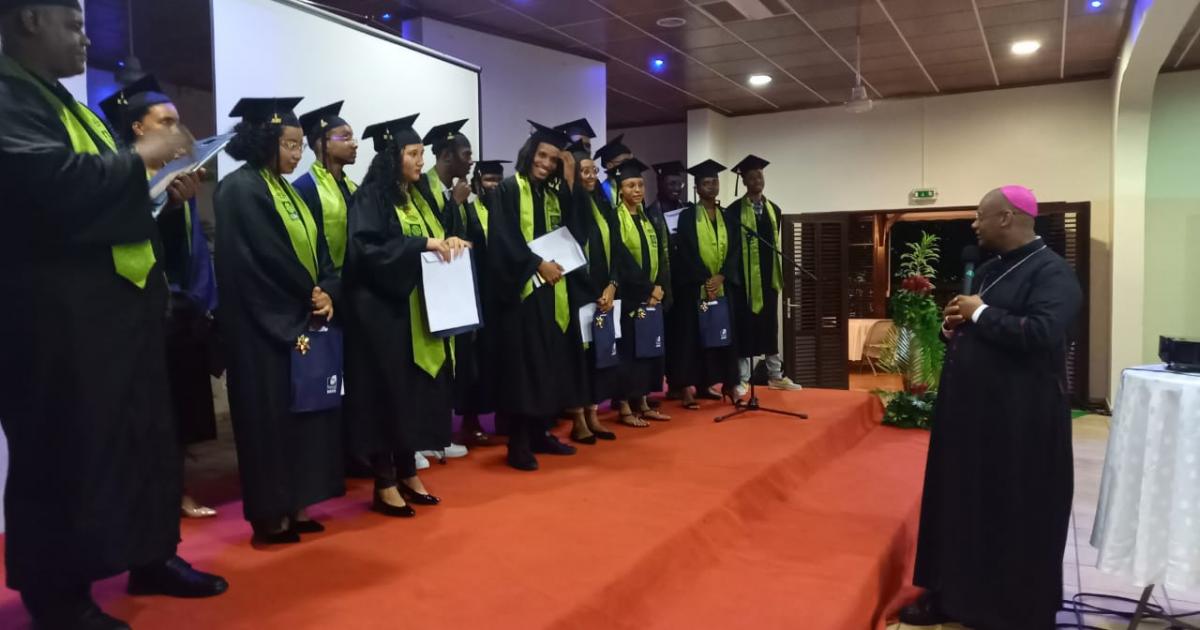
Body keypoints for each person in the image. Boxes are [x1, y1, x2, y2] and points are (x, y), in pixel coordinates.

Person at [0, 2, 227, 627]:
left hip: (118, 312)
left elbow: (110, 198)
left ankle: (151, 555)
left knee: (144, 441)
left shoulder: (65, 104)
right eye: (71, 22)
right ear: (26, 21)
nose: (84, 34)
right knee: (64, 454)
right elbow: (48, 183)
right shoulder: (8, 98)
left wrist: (165, 188)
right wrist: (145, 156)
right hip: (55, 322)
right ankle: (57, 595)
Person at [899, 186, 1082, 630]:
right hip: (970, 417)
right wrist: (954, 328)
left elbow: (1040, 332)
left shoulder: (1052, 273)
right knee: (959, 506)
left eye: (981, 216)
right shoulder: (988, 270)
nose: (974, 224)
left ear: (1007, 217)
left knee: (1009, 512)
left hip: (1019, 421)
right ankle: (951, 595)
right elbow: (982, 327)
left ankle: (1005, 610)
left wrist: (979, 314)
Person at [213, 97, 344, 545]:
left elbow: (319, 250)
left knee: (299, 418)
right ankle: (270, 516)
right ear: (264, 141)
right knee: (266, 423)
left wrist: (329, 289)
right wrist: (308, 295)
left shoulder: (287, 190)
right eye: (289, 144)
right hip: (260, 329)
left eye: (300, 145)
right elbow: (257, 261)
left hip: (297, 319)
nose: (296, 154)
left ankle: (298, 503)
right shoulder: (239, 189)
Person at [99, 73, 221, 520]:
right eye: (166, 120)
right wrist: (165, 206)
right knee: (142, 408)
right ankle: (141, 494)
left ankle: (180, 488)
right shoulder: (119, 176)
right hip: (133, 306)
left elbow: (191, 247)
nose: (176, 127)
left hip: (179, 304)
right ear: (138, 128)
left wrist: (204, 300)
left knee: (181, 403)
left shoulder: (178, 174)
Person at [342, 115, 468, 517]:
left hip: (417, 315)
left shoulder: (417, 197)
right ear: (393, 157)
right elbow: (367, 251)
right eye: (413, 154)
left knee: (410, 398)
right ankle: (383, 482)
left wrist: (447, 242)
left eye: (421, 153)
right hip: (383, 316)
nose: (420, 161)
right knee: (388, 398)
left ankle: (408, 471)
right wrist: (422, 243)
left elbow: (430, 239)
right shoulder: (371, 198)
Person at [483, 121, 587, 471]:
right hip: (523, 294)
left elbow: (576, 231)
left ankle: (541, 432)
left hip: (553, 293)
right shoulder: (509, 190)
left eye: (553, 160)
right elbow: (502, 239)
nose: (546, 163)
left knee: (549, 366)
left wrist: (572, 182)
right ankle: (518, 443)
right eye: (542, 155)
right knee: (524, 370)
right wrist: (536, 264)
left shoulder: (554, 194)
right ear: (529, 154)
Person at [413, 118, 474, 461]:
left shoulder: (454, 188)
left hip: (451, 289)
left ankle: (439, 432)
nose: (470, 160)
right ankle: (420, 437)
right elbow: (437, 230)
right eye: (466, 153)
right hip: (426, 287)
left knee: (449, 364)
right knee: (427, 362)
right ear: (448, 154)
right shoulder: (423, 186)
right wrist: (455, 203)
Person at [669, 160, 741, 409]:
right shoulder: (688, 216)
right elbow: (685, 252)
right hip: (693, 288)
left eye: (714, 182)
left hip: (722, 287)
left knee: (725, 337)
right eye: (706, 183)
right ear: (697, 188)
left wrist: (722, 276)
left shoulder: (729, 217)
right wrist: (705, 278)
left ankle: (729, 384)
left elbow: (735, 251)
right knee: (690, 338)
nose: (711, 186)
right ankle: (688, 387)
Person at [728, 154, 802, 395]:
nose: (756, 179)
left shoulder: (774, 210)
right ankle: (743, 379)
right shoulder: (733, 211)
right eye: (751, 176)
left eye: (759, 175)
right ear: (744, 181)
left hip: (768, 280)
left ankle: (775, 375)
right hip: (743, 282)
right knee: (744, 328)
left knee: (770, 328)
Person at [608, 158, 673, 427]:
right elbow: (622, 260)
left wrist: (658, 287)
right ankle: (624, 406)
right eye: (630, 185)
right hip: (629, 296)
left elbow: (656, 254)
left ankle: (644, 402)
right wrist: (647, 289)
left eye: (640, 185)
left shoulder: (647, 218)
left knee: (648, 350)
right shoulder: (616, 218)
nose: (637, 190)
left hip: (650, 294)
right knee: (628, 353)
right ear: (620, 189)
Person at [452, 158, 511, 447]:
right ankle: (470, 421)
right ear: (477, 182)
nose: (494, 186)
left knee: (501, 357)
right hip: (475, 294)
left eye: (498, 180)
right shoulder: (468, 210)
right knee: (474, 362)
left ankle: (503, 415)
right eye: (488, 180)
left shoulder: (505, 211)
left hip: (500, 296)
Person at [564, 141, 620, 444]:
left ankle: (594, 413)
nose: (590, 175)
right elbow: (569, 256)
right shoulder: (569, 208)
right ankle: (577, 418)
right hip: (578, 293)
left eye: (592, 170)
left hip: (603, 293)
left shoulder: (603, 205)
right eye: (584, 171)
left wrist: (612, 285)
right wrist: (592, 290)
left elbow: (616, 249)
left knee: (599, 354)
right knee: (580, 358)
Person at [292, 100, 359, 274]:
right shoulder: (302, 190)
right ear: (323, 144)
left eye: (353, 137)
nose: (354, 143)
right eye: (346, 137)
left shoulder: (354, 189)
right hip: (326, 287)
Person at [593, 134, 632, 207]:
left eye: (631, 162)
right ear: (610, 165)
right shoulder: (601, 193)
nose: (630, 166)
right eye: (624, 162)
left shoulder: (633, 190)